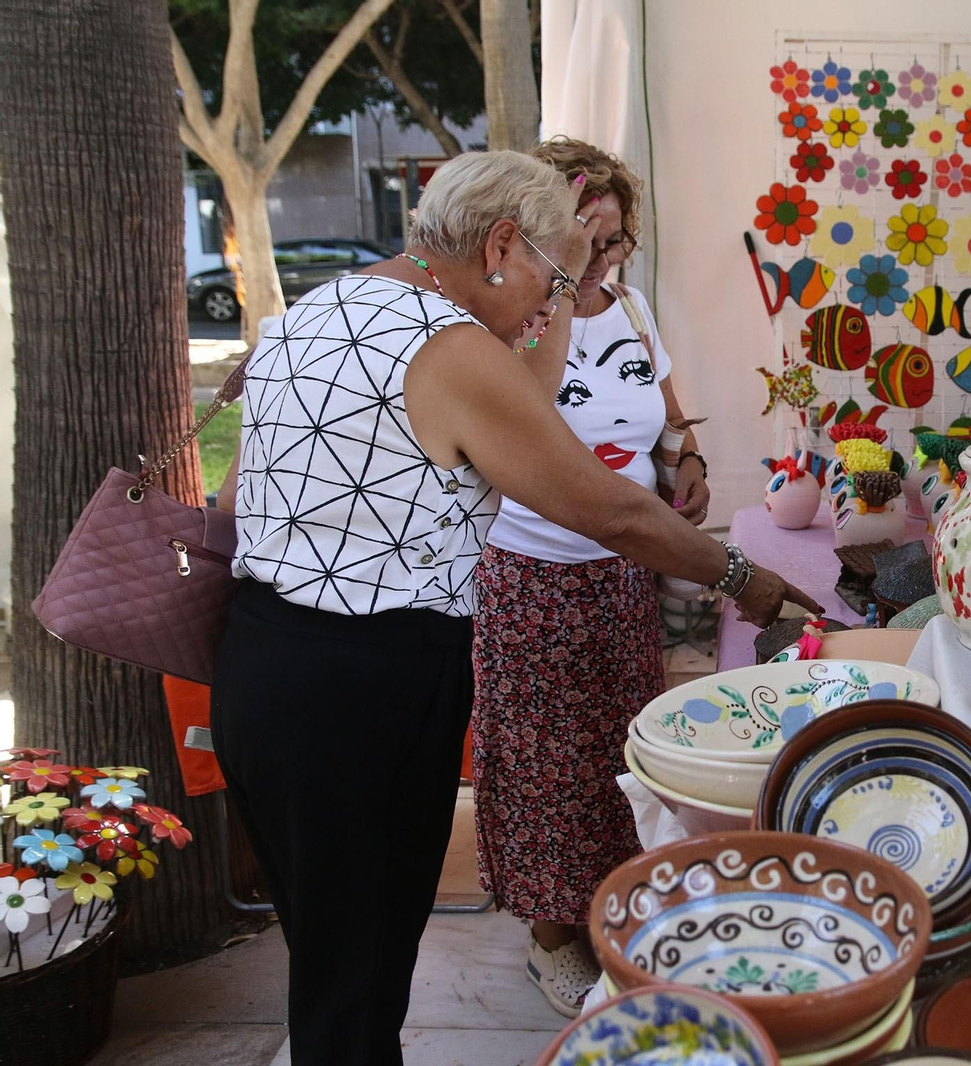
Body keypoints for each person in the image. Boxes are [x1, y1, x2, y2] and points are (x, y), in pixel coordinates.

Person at [209, 150, 820, 1066]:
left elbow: (228, 508)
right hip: (366, 689)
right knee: (361, 975)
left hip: (261, 667)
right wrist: (747, 580)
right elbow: (604, 506)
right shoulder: (446, 345)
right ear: (501, 243)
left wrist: (555, 298)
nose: (555, 303)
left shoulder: (316, 310)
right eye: (554, 274)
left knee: (334, 963)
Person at [469, 138, 705, 1016]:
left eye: (611, 242)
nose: (601, 259)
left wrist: (689, 458)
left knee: (619, 752)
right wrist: (562, 293)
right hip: (533, 578)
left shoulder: (637, 311)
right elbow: (524, 425)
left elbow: (668, 419)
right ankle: (551, 935)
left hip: (622, 576)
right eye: (581, 241)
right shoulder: (508, 327)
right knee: (542, 766)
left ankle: (613, 904)